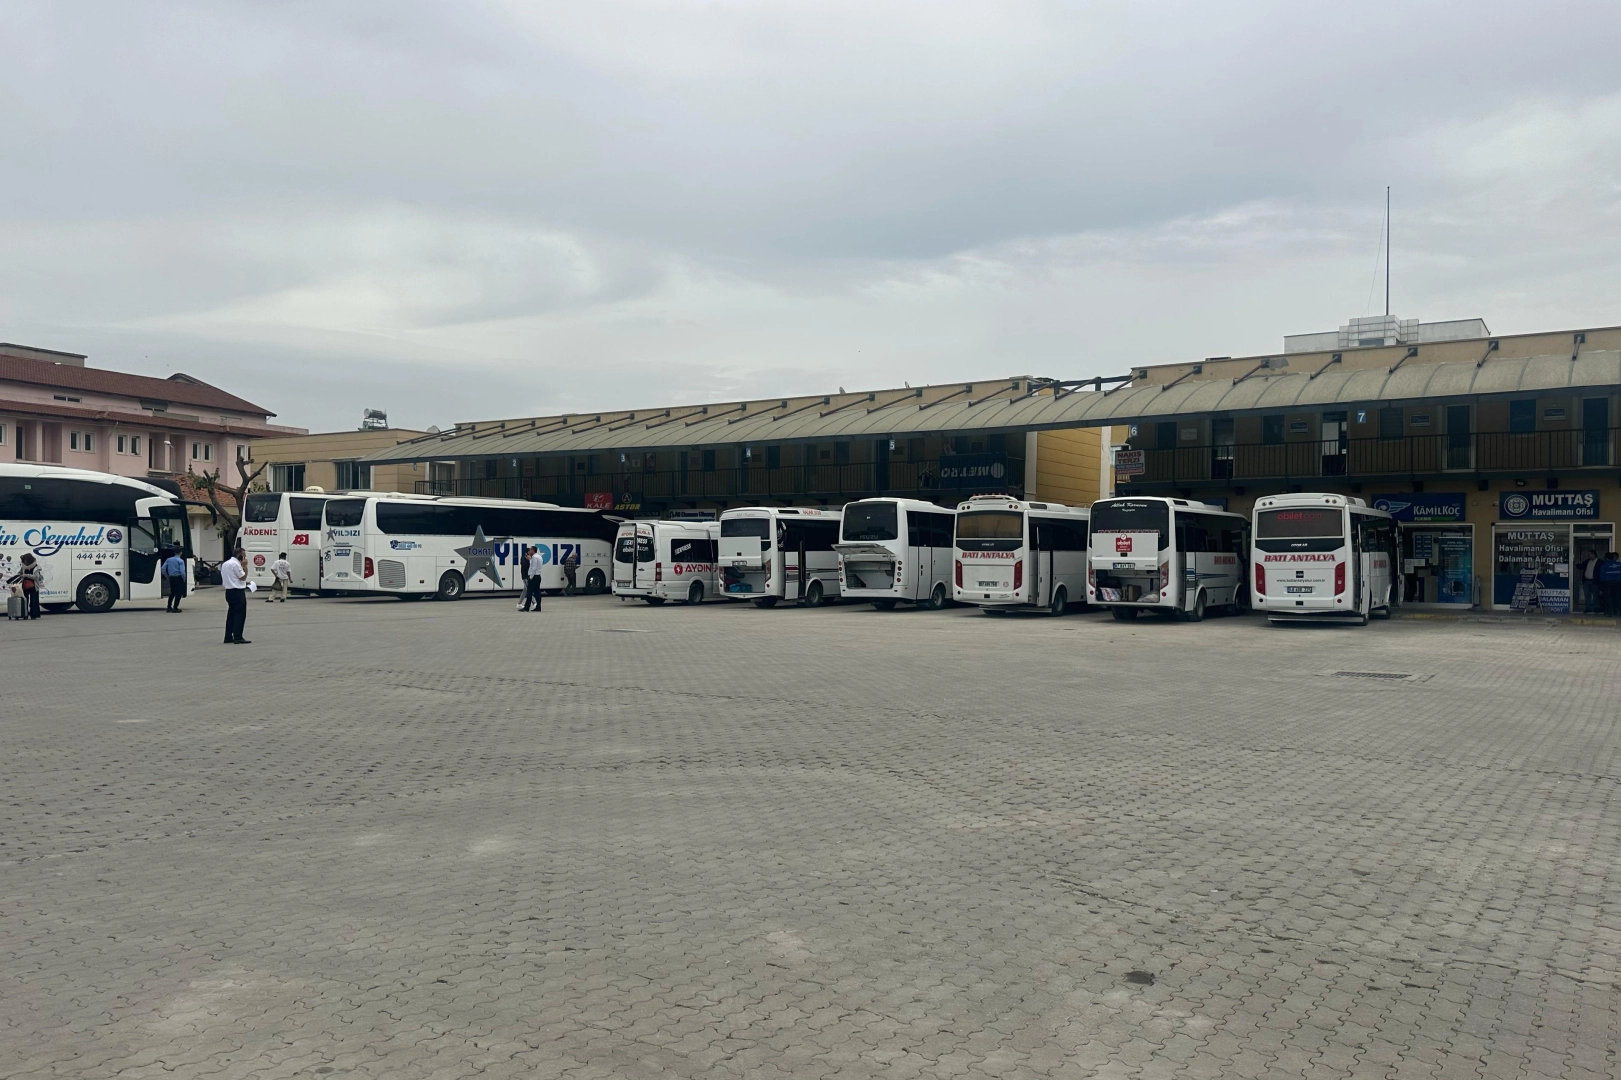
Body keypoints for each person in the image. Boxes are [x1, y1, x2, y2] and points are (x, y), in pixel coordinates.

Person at [221, 544, 252, 644]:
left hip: (229, 591)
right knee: (240, 614)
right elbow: (242, 577)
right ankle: (238, 636)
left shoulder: (225, 564)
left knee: (231, 614)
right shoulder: (236, 564)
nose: (245, 557)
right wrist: (245, 567)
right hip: (237, 592)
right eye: (244, 555)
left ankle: (228, 636)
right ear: (240, 555)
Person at [10, 553, 42, 620]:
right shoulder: (23, 566)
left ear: (29, 560)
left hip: (34, 586)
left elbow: (36, 577)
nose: (24, 562)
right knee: (24, 601)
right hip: (25, 585)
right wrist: (18, 576)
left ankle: (34, 615)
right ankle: (24, 614)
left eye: (25, 561)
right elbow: (20, 573)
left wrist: (26, 575)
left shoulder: (36, 567)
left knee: (34, 601)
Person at [163, 547, 187, 612]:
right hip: (178, 577)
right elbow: (182, 572)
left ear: (174, 553)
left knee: (172, 592)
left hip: (171, 577)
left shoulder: (168, 560)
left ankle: (169, 607)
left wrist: (167, 576)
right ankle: (175, 607)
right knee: (179, 593)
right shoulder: (180, 561)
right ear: (181, 553)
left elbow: (163, 569)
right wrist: (184, 578)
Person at [522, 545, 545, 612]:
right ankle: (538, 607)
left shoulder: (534, 557)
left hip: (534, 576)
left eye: (530, 550)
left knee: (529, 592)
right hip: (538, 576)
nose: (528, 551)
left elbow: (533, 568)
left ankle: (527, 607)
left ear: (533, 550)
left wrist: (531, 577)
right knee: (537, 592)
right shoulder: (539, 556)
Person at [1599, 551, 1621, 618]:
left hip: (1607, 583)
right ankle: (1618, 612)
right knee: (1618, 597)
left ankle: (1610, 612)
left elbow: (1602, 576)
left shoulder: (1604, 565)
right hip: (1618, 582)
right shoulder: (1619, 564)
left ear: (1607, 558)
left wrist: (1602, 584)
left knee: (1609, 598)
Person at [1579, 549, 1601, 613]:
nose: (1589, 556)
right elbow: (1581, 567)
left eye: (1590, 554)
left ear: (1594, 554)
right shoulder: (1587, 561)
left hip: (1595, 581)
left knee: (1595, 595)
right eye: (1588, 554)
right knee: (1587, 595)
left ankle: (1595, 607)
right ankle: (1587, 608)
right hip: (1586, 581)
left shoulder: (1599, 562)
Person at [516, 545, 531, 610]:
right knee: (528, 589)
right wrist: (529, 560)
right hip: (525, 576)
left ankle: (519, 603)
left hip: (529, 576)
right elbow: (525, 566)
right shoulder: (523, 558)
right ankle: (534, 602)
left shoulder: (532, 558)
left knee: (525, 590)